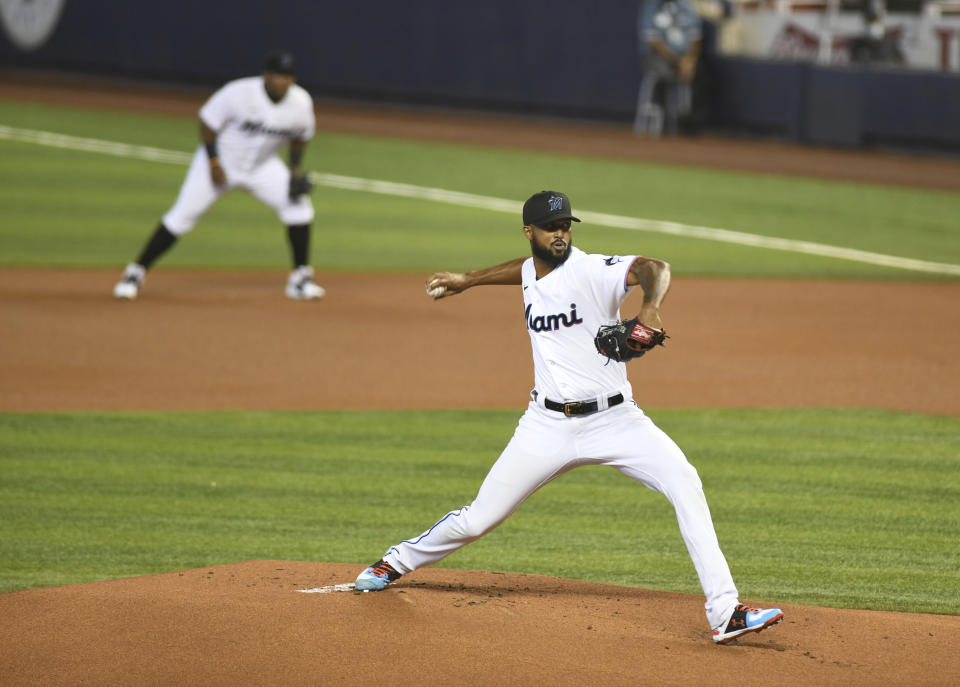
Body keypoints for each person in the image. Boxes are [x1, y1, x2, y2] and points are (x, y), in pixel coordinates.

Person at [355, 190, 784, 645]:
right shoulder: (530, 270)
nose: (561, 234)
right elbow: (522, 272)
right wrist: (469, 279)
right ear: (530, 233)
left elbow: (655, 267)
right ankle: (396, 561)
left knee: (685, 481)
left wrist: (649, 306)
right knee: (480, 517)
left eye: (566, 226)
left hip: (617, 422)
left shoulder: (593, 270)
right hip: (546, 427)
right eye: (551, 227)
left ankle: (725, 611)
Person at [113, 50, 324, 300]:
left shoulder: (301, 102)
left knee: (299, 209)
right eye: (279, 76)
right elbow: (207, 123)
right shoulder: (238, 93)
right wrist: (213, 162)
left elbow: (301, 137)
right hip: (219, 163)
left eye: (288, 76)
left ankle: (300, 280)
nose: (284, 81)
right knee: (182, 216)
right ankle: (135, 273)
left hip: (262, 167)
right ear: (266, 75)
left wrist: (294, 172)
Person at [634, 0, 703, 137]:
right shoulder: (652, 6)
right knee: (661, 74)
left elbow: (696, 37)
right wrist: (678, 62)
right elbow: (652, 39)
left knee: (703, 76)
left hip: (684, 59)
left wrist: (690, 61)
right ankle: (663, 119)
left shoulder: (686, 6)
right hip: (660, 58)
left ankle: (688, 121)